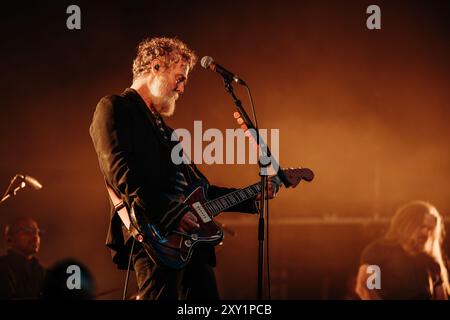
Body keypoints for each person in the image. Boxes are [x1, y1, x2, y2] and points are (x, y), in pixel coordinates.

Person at [89, 37, 278, 300]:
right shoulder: (114, 107)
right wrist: (172, 213)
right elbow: (119, 171)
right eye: (179, 78)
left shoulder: (169, 133)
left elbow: (199, 190)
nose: (182, 88)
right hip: (155, 234)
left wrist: (252, 194)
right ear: (155, 67)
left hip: (190, 241)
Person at [355, 200, 449, 300]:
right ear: (405, 225)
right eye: (422, 227)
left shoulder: (431, 262)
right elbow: (366, 288)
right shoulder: (379, 251)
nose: (426, 233)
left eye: (430, 229)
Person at [0, 217, 46, 299]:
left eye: (37, 232)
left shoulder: (41, 272)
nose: (35, 237)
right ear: (9, 237)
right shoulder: (2, 268)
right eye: (27, 231)